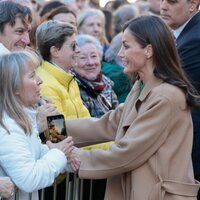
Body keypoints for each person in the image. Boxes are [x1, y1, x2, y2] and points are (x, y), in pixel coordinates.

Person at [63, 15, 200, 199]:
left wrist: (73, 157)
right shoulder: (143, 85)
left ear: (149, 50)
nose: (120, 53)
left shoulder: (166, 96)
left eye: (126, 46)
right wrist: (53, 128)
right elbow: (111, 123)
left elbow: (128, 153)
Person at [0, 50, 79, 200]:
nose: (39, 80)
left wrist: (64, 153)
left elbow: (39, 148)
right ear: (56, 50)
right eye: (32, 76)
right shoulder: (9, 126)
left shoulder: (70, 83)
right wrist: (59, 152)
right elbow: (28, 179)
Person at [160, 1, 200, 198]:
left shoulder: (194, 39)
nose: (164, 6)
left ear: (193, 4)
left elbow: (172, 89)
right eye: (162, 0)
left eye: (172, 1)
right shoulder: (186, 34)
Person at [36, 20, 90, 119]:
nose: (79, 50)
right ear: (55, 51)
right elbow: (57, 132)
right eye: (73, 45)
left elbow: (86, 119)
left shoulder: (68, 77)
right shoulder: (45, 85)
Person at [74, 34, 118, 118]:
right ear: (73, 61)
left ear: (100, 58)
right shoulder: (72, 87)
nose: (90, 62)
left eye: (94, 56)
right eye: (83, 58)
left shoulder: (107, 84)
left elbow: (117, 118)